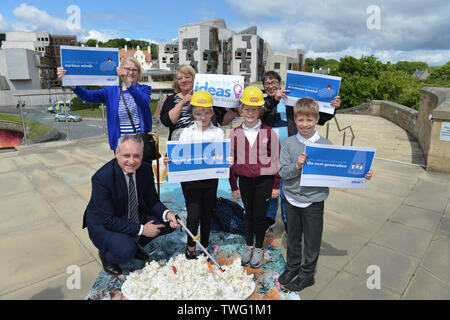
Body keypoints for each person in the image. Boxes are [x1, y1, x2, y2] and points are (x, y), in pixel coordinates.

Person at [278, 97, 373, 292]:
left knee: (312, 241)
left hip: (314, 201)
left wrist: (363, 174)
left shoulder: (326, 144)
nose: (305, 124)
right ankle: (292, 267)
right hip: (292, 199)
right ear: (295, 120)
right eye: (301, 120)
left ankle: (307, 275)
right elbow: (283, 172)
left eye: (309, 120)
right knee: (293, 238)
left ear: (317, 119)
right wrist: (297, 166)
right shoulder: (288, 143)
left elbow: (340, 169)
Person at [83, 134, 182, 276]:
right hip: (105, 222)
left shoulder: (146, 169)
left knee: (167, 223)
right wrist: (142, 229)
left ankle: (133, 242)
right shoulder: (102, 178)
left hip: (130, 212)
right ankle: (108, 256)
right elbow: (109, 220)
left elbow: (152, 200)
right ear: (117, 153)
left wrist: (169, 214)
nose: (132, 161)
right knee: (125, 251)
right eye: (126, 156)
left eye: (137, 156)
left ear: (142, 155)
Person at [262, 71, 341, 233]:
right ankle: (268, 219)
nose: (271, 86)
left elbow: (318, 118)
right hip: (268, 154)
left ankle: (287, 221)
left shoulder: (292, 101)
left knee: (286, 189)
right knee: (269, 190)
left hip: (290, 154)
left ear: (280, 84)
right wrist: (272, 101)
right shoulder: (263, 103)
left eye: (274, 82)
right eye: (267, 83)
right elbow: (262, 119)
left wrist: (332, 107)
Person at [164, 90, 225, 259]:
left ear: (211, 112)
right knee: (193, 215)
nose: (203, 117)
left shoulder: (218, 133)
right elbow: (178, 157)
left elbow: (220, 157)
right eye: (198, 113)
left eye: (206, 112)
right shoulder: (186, 133)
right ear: (192, 113)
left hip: (210, 181)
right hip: (190, 182)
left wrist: (227, 159)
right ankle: (191, 246)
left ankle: (204, 245)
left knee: (207, 214)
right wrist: (170, 160)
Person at [229, 86, 281, 269]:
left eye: (254, 109)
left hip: (264, 181)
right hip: (244, 181)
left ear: (260, 110)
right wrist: (233, 186)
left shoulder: (269, 133)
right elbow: (231, 162)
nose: (250, 113)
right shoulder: (234, 134)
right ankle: (248, 244)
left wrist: (276, 185)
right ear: (241, 110)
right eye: (247, 109)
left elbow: (276, 160)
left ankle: (258, 247)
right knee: (248, 214)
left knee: (260, 216)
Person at [57, 57, 153, 153]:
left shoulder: (144, 89)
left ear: (139, 73)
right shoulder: (111, 91)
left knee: (142, 168)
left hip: (140, 144)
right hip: (120, 145)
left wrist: (127, 82)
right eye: (127, 69)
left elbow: (143, 102)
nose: (131, 72)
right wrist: (71, 83)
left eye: (134, 70)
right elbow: (89, 96)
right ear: (120, 70)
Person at [160, 64, 237, 141]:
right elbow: (166, 121)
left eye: (187, 77)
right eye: (180, 78)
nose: (184, 80)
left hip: (209, 141)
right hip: (181, 143)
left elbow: (223, 121)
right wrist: (182, 102)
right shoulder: (170, 100)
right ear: (177, 82)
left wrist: (234, 108)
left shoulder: (208, 96)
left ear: (194, 79)